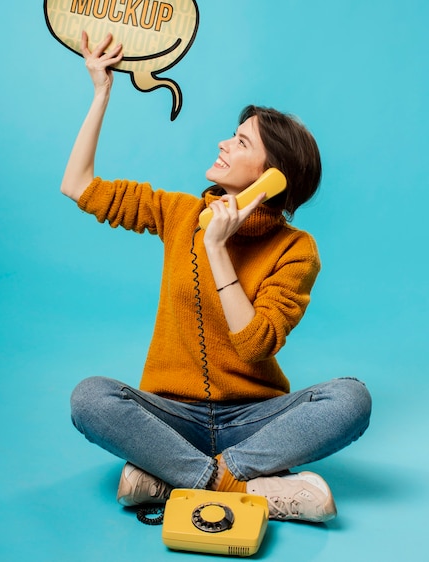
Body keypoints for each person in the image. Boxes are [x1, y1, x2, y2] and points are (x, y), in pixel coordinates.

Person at [62, 32, 372, 523]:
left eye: (242, 141)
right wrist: (101, 91)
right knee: (90, 398)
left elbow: (254, 346)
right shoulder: (178, 213)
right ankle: (239, 485)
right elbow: (77, 185)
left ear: (273, 176)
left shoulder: (296, 250)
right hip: (170, 417)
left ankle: (170, 480)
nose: (224, 143)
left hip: (256, 422)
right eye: (234, 133)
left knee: (352, 398)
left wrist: (218, 250)